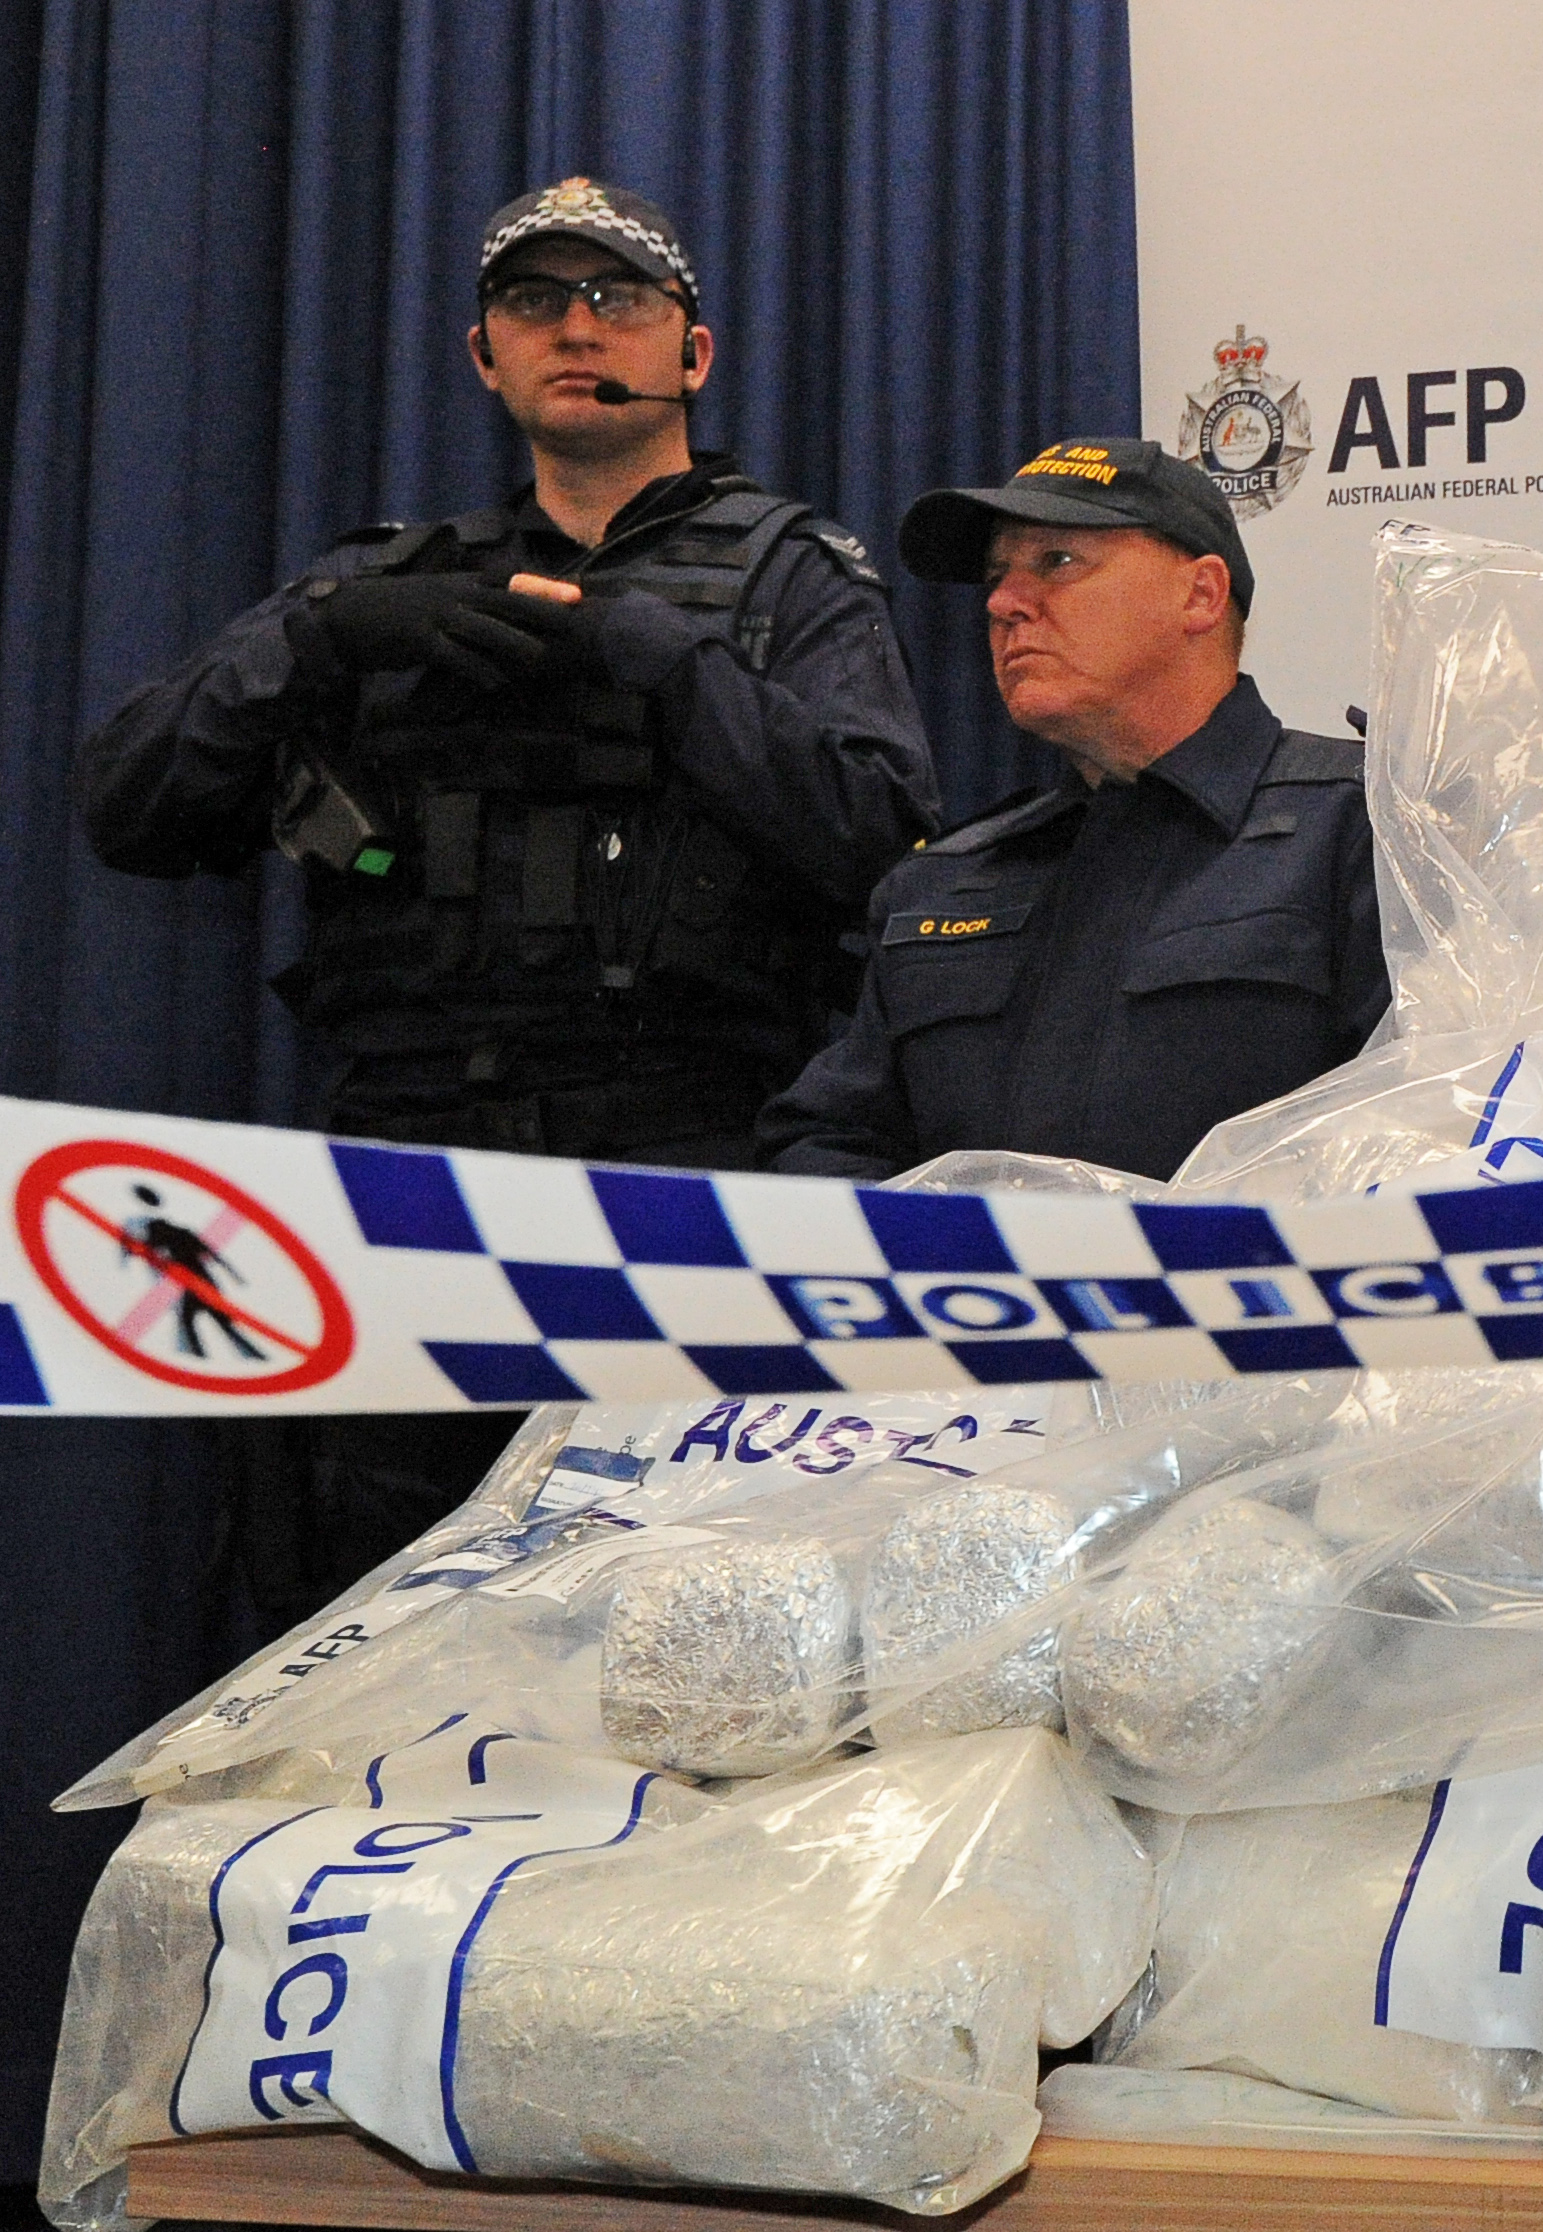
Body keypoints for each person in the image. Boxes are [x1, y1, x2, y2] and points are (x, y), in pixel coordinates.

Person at [75, 177, 940, 1620]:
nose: (575, 328)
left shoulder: (790, 581)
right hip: (405, 1185)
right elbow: (129, 805)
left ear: (692, 353)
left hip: (684, 1170)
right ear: (485, 357)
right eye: (534, 303)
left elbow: (886, 846)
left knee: (686, 1634)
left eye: (618, 299)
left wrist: (677, 670)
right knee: (363, 1634)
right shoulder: (380, 585)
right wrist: (317, 641)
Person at [759, 437, 1386, 1181]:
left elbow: (1443, 1123)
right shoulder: (943, 883)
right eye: (996, 577)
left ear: (1200, 595)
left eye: (1056, 562)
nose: (1001, 603)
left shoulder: (1366, 828)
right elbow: (829, 1138)